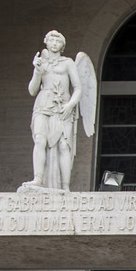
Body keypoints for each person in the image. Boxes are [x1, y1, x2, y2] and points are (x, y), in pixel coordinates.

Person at [27, 31, 84, 191]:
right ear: (46, 42)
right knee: (40, 140)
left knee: (64, 145)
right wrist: (37, 70)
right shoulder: (41, 63)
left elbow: (78, 88)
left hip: (62, 106)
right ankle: (38, 178)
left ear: (62, 45)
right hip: (43, 104)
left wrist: (71, 105)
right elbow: (32, 90)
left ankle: (64, 186)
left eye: (57, 41)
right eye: (51, 40)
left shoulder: (68, 63)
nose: (53, 43)